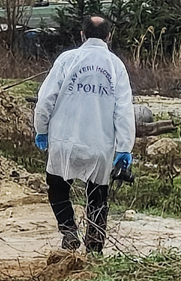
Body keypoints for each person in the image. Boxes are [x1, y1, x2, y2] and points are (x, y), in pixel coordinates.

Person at [33, 16, 135, 254]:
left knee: (57, 187)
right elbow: (124, 109)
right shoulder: (116, 66)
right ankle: (95, 246)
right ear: (109, 37)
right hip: (100, 143)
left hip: (64, 140)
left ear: (82, 35)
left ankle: (68, 230)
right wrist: (124, 147)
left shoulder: (67, 60)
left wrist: (41, 129)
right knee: (98, 194)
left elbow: (46, 98)